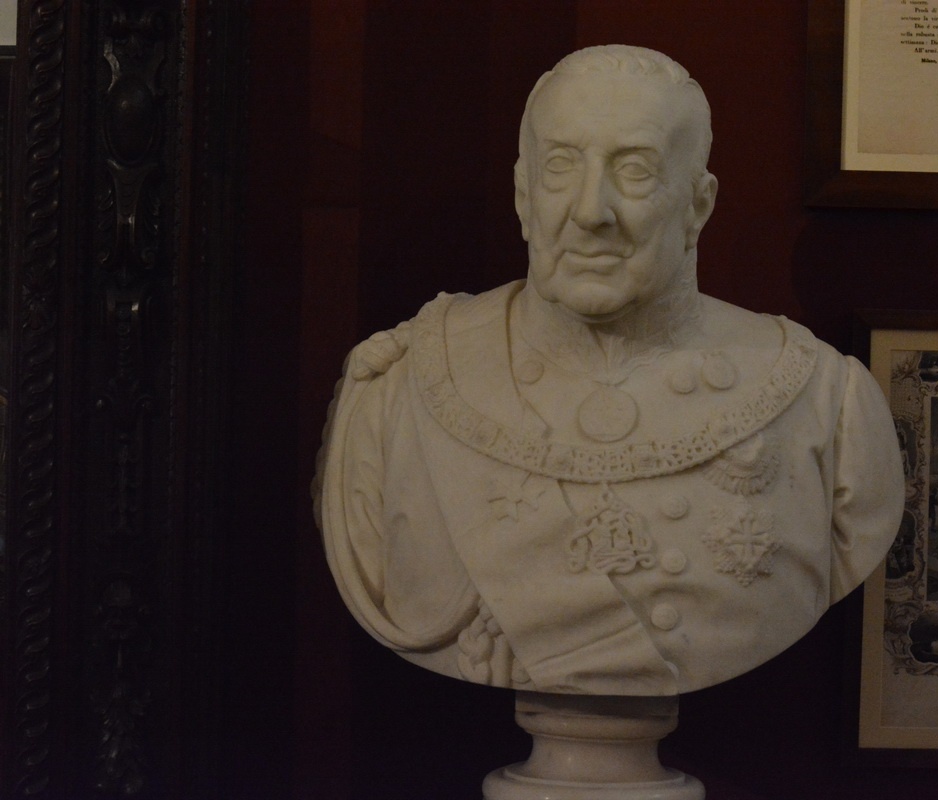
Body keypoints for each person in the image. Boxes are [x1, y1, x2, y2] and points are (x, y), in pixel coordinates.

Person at [316, 45, 905, 697]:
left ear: (698, 204)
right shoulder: (398, 386)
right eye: (561, 167)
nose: (591, 211)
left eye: (634, 170)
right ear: (523, 195)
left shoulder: (825, 401)